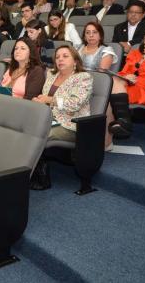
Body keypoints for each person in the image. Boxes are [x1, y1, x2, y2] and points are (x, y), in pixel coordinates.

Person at [31, 45, 93, 190]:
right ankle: (27, 172)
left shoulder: (83, 78)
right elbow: (45, 99)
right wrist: (39, 101)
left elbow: (74, 104)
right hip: (48, 119)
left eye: (65, 56)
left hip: (70, 125)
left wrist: (50, 100)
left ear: (75, 61)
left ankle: (41, 178)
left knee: (40, 135)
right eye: (57, 57)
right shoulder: (51, 75)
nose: (60, 59)